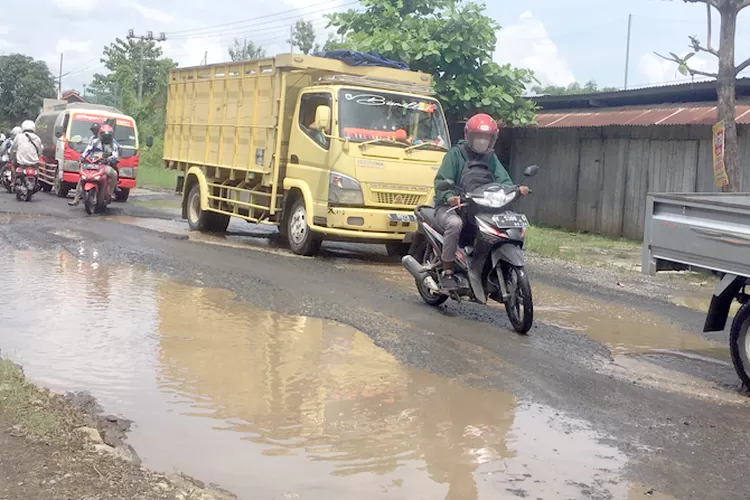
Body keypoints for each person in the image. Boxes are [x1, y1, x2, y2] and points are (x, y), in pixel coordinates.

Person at [432, 113, 529, 291]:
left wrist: (516, 189)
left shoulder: (491, 158)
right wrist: (449, 197)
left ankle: (487, 266)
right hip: (451, 207)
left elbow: (504, 180)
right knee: (455, 224)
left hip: (480, 206)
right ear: (469, 136)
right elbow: (441, 182)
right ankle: (447, 271)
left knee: (501, 225)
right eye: (479, 137)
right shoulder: (456, 154)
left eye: (486, 137)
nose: (482, 141)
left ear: (493, 139)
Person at [69, 124, 119, 206]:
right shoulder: (95, 142)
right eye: (104, 134)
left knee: (114, 174)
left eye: (108, 135)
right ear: (101, 134)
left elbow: (115, 155)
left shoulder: (113, 145)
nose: (106, 137)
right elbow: (87, 151)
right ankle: (76, 198)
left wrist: (111, 159)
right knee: (83, 176)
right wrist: (82, 157)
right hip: (92, 164)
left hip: (104, 165)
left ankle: (110, 192)